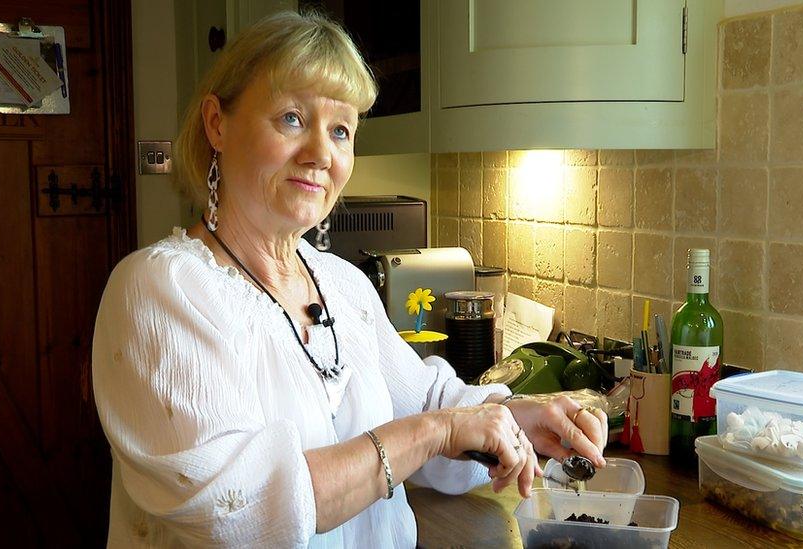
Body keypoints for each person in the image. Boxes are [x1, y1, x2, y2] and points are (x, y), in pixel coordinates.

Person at [92, 11, 608, 548]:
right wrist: (436, 433)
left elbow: (426, 402)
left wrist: (519, 422)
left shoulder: (342, 285)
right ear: (217, 123)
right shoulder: (160, 289)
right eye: (291, 117)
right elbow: (242, 513)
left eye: (341, 130)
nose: (321, 154)